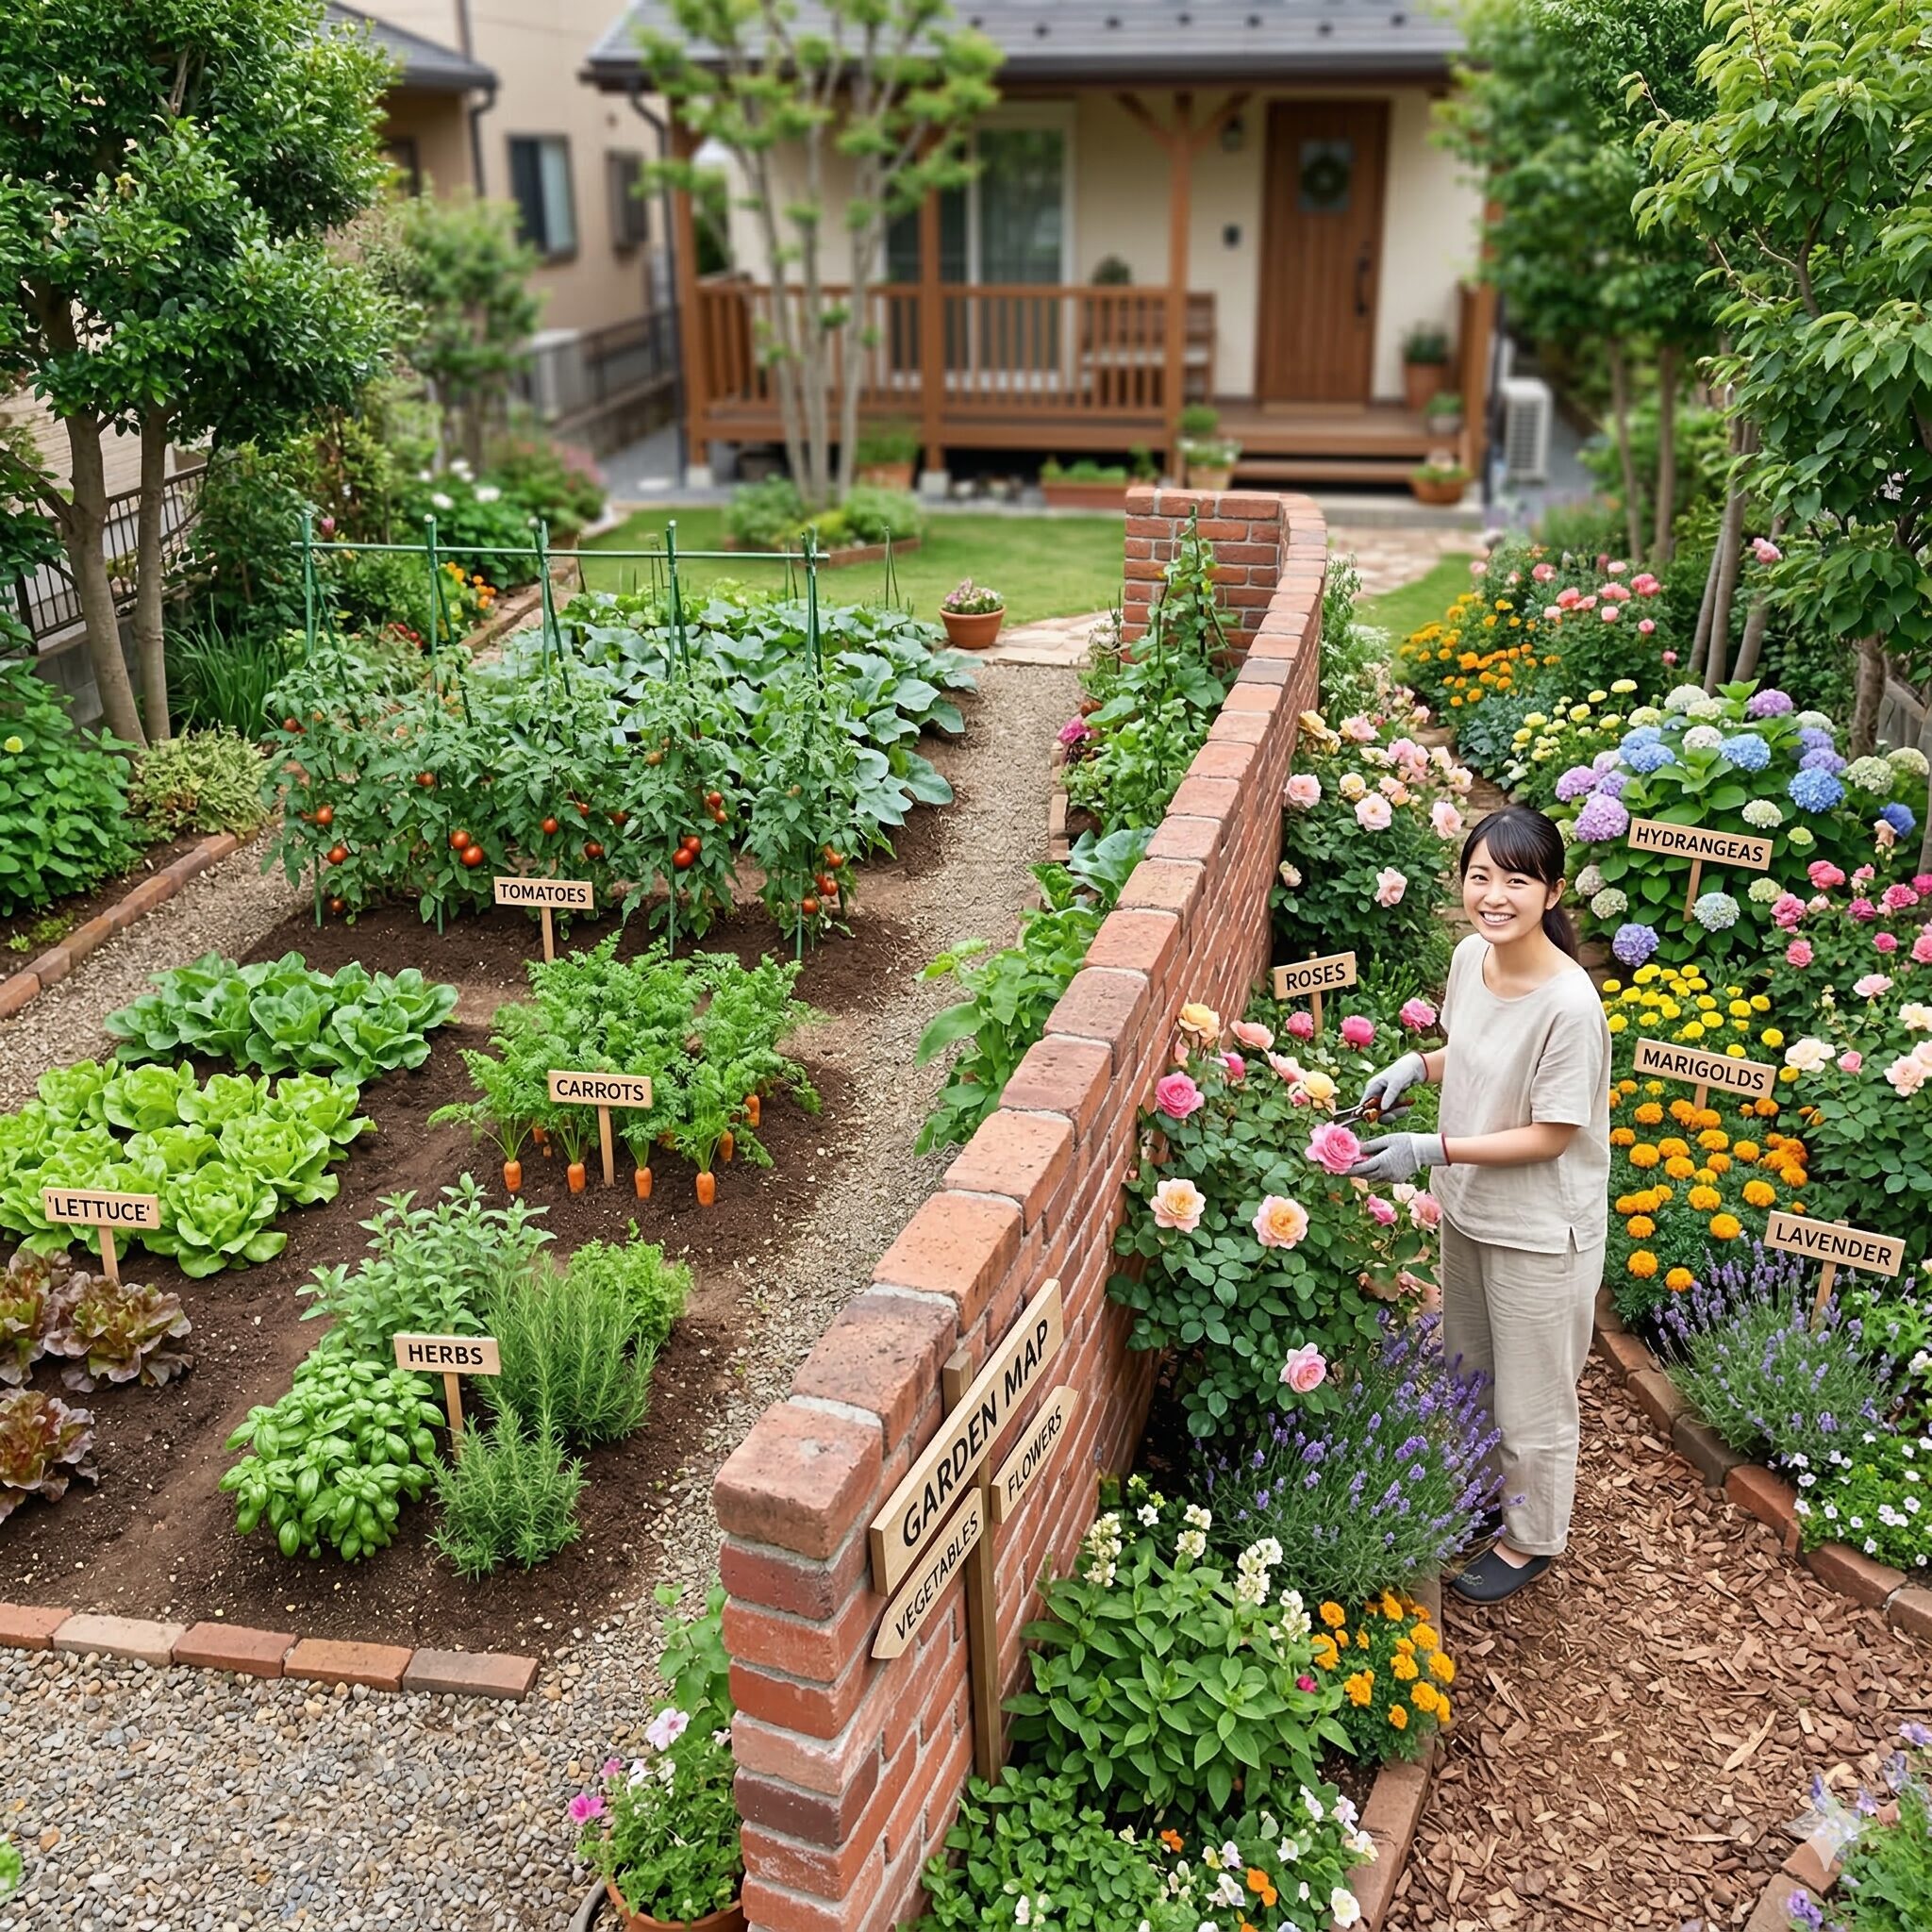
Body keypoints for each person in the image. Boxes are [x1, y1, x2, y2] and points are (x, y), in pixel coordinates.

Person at [1342, 804, 1609, 1604]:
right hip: (1469, 1207)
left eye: (1517, 881)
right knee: (1471, 1372)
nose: (1494, 895)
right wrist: (1416, 1069)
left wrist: (1431, 1148)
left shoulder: (1571, 1005)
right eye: (1480, 876)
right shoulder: (1472, 957)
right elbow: (1470, 1048)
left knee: (1532, 1398)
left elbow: (1552, 1134)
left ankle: (1531, 1539)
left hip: (1539, 1228)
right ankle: (1485, 1496)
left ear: (1553, 892)